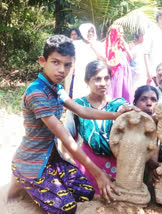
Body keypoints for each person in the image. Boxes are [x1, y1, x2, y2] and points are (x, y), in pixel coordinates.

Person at [6, 35, 137, 213]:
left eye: (67, 65)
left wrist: (116, 115)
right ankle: (22, 179)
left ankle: (33, 184)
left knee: (86, 192)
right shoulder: (36, 92)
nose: (62, 70)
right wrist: (98, 173)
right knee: (67, 208)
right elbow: (66, 138)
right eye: (56, 62)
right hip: (32, 161)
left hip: (50, 158)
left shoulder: (57, 88)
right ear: (42, 61)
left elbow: (83, 111)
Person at [64, 60, 127, 195]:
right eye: (97, 79)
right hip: (87, 164)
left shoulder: (119, 105)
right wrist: (71, 165)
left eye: (106, 78)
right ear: (87, 81)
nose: (103, 83)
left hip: (117, 164)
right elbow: (67, 137)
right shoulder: (77, 106)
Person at [72, 23, 106, 99]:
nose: (90, 33)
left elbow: (103, 58)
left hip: (94, 73)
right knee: (80, 94)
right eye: (88, 31)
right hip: (80, 73)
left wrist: (93, 46)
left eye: (92, 31)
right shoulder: (76, 44)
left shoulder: (98, 44)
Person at [106, 25, 134, 103]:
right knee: (116, 92)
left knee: (126, 91)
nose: (122, 35)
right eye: (120, 33)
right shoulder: (109, 45)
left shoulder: (124, 45)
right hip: (115, 73)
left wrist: (126, 48)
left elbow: (131, 58)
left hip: (125, 73)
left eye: (122, 33)